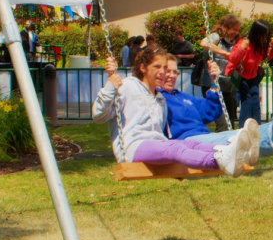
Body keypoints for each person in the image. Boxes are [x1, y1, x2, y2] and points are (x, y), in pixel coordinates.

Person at [92, 47, 256, 177]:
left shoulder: (160, 99)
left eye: (164, 67)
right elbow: (98, 115)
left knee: (191, 144)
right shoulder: (128, 86)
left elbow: (207, 111)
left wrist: (214, 84)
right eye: (157, 67)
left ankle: (234, 153)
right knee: (176, 149)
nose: (162, 72)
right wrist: (110, 86)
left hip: (158, 143)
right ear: (142, 67)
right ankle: (217, 160)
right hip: (133, 147)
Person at [158, 55, 273, 157]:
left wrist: (214, 83)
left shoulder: (182, 97)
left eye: (175, 72)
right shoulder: (155, 98)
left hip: (203, 138)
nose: (172, 76)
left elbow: (210, 111)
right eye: (168, 71)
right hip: (185, 144)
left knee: (231, 137)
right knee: (235, 138)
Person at [225, 19, 273, 127]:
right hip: (241, 76)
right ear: (257, 33)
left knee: (255, 101)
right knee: (247, 101)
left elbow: (267, 56)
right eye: (264, 35)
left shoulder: (260, 46)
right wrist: (241, 48)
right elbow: (233, 59)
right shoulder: (244, 43)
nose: (266, 37)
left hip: (252, 77)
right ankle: (244, 128)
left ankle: (256, 126)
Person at [200, 14, 241, 126]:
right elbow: (204, 43)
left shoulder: (236, 42)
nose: (236, 32)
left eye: (238, 30)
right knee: (222, 122)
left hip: (228, 86)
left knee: (230, 121)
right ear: (226, 27)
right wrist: (225, 54)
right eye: (234, 29)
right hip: (213, 85)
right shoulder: (216, 37)